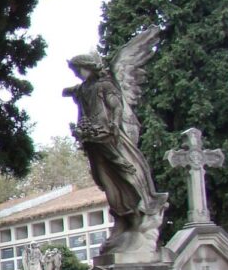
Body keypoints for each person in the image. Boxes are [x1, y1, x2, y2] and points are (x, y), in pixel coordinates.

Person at [64, 52, 167, 253]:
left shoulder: (105, 86)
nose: (77, 74)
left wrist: (113, 123)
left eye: (79, 70)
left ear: (90, 66)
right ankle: (122, 217)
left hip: (106, 134)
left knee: (122, 171)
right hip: (91, 137)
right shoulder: (84, 88)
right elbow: (73, 94)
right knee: (104, 177)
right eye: (74, 71)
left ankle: (138, 213)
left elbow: (116, 106)